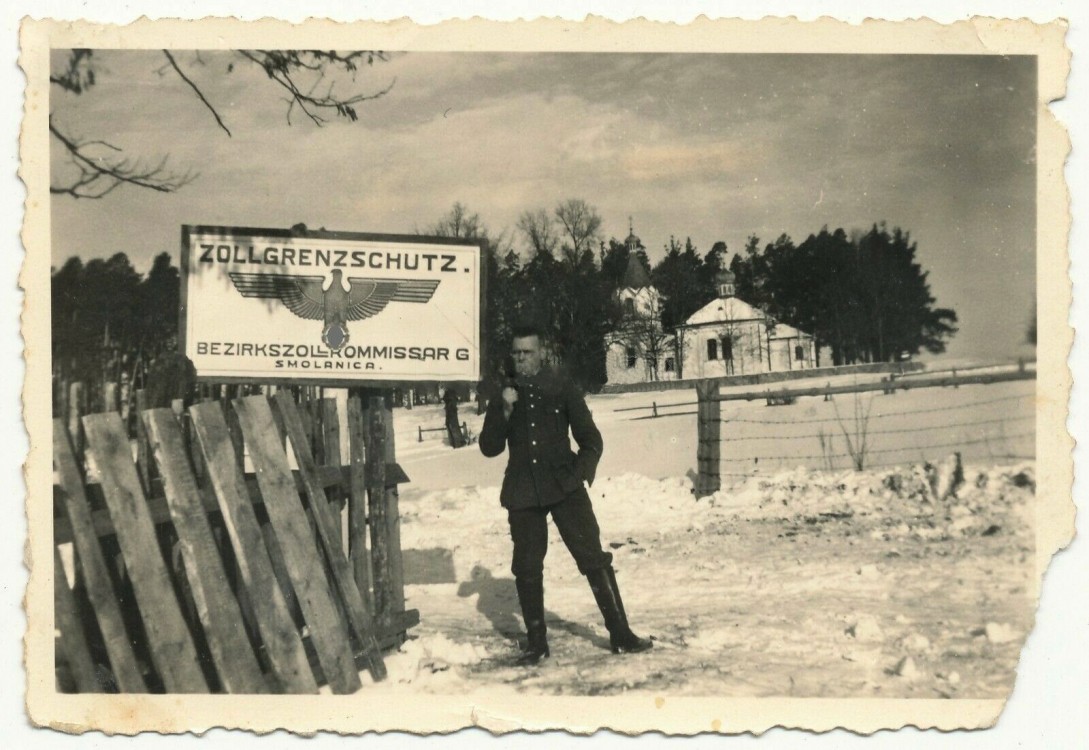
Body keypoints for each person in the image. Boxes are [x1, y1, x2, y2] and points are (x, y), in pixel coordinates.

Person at [479, 324, 652, 666]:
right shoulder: (504, 393)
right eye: (516, 353)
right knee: (527, 568)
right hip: (523, 491)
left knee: (593, 558)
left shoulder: (561, 387)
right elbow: (489, 447)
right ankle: (536, 644)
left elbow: (591, 440)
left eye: (527, 353)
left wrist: (580, 475)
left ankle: (621, 634)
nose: (521, 359)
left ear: (541, 353)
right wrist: (503, 409)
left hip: (564, 486)